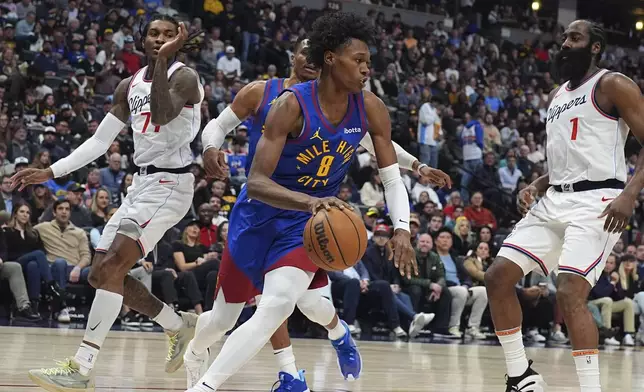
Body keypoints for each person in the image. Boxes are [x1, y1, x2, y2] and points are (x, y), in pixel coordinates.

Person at [187, 12, 449, 392]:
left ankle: (208, 387)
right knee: (223, 319)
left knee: (276, 304)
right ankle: (197, 347)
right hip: (259, 214)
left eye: (368, 63)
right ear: (330, 58)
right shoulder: (287, 103)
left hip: (305, 224)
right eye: (358, 61)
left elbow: (390, 174)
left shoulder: (370, 107)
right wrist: (308, 200)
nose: (365, 70)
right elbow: (257, 183)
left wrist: (404, 227)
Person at [15, 15, 206, 391]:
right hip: (141, 183)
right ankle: (177, 325)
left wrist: (166, 59)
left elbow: (165, 115)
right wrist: (50, 170)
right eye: (154, 34)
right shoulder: (128, 85)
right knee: (101, 274)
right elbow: (100, 143)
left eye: (168, 35)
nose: (160, 39)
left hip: (172, 183)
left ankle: (82, 367)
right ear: (141, 39)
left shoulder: (184, 77)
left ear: (179, 41)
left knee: (116, 263)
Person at [484, 20, 644, 392]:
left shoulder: (612, 84)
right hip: (555, 198)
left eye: (575, 38)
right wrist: (538, 183)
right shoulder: (557, 95)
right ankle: (520, 375)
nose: (564, 43)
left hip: (598, 201)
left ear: (594, 47)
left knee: (571, 292)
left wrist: (629, 194)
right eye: (563, 38)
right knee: (497, 277)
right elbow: (568, 157)